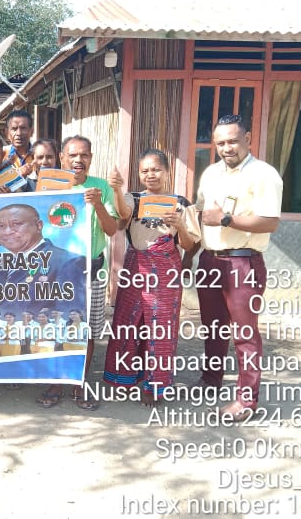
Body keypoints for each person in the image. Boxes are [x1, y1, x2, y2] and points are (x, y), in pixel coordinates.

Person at [194, 115, 282, 421]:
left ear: (248, 138)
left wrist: (227, 220)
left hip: (243, 261)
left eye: (232, 140)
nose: (226, 148)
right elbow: (202, 211)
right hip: (210, 259)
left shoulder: (263, 174)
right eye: (220, 142)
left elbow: (270, 221)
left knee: (244, 333)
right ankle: (211, 379)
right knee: (212, 326)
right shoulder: (210, 173)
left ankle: (246, 401)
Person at [102, 149, 200, 406]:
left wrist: (179, 226)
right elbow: (123, 215)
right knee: (128, 322)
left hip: (167, 270)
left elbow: (189, 245)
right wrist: (115, 189)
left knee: (161, 328)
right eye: (145, 171)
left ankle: (154, 386)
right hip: (137, 266)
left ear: (167, 171)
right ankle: (122, 378)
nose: (150, 175)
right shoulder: (133, 198)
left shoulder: (181, 203)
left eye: (155, 169)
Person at [38, 135, 119, 410]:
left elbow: (112, 230)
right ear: (62, 158)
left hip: (92, 269)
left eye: (84, 155)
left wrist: (97, 204)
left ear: (91, 158)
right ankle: (56, 380)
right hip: (57, 271)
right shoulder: (48, 186)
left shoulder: (102, 188)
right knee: (56, 324)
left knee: (87, 330)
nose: (78, 160)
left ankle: (79, 380)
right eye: (72, 155)